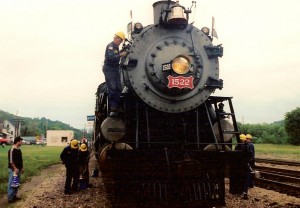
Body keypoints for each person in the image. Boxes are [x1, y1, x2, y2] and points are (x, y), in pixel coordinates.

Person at [102, 31, 128, 115]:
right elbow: (111, 57)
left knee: (118, 87)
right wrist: (121, 54)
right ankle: (113, 107)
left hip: (115, 68)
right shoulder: (111, 46)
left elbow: (116, 53)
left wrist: (123, 50)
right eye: (119, 40)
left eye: (121, 41)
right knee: (112, 87)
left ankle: (117, 106)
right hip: (109, 69)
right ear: (116, 38)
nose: (119, 42)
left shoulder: (116, 47)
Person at [7, 136, 24, 203]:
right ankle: (10, 198)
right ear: (17, 141)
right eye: (21, 141)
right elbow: (11, 161)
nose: (22, 142)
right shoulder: (12, 150)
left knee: (16, 183)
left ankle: (14, 196)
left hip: (19, 169)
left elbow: (20, 160)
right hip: (13, 169)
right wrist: (15, 168)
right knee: (12, 183)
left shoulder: (19, 150)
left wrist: (22, 167)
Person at [235, 134, 251, 200]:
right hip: (245, 165)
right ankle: (245, 193)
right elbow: (249, 155)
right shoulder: (246, 146)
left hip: (238, 166)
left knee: (240, 178)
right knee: (246, 179)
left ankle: (239, 191)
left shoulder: (236, 146)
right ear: (244, 140)